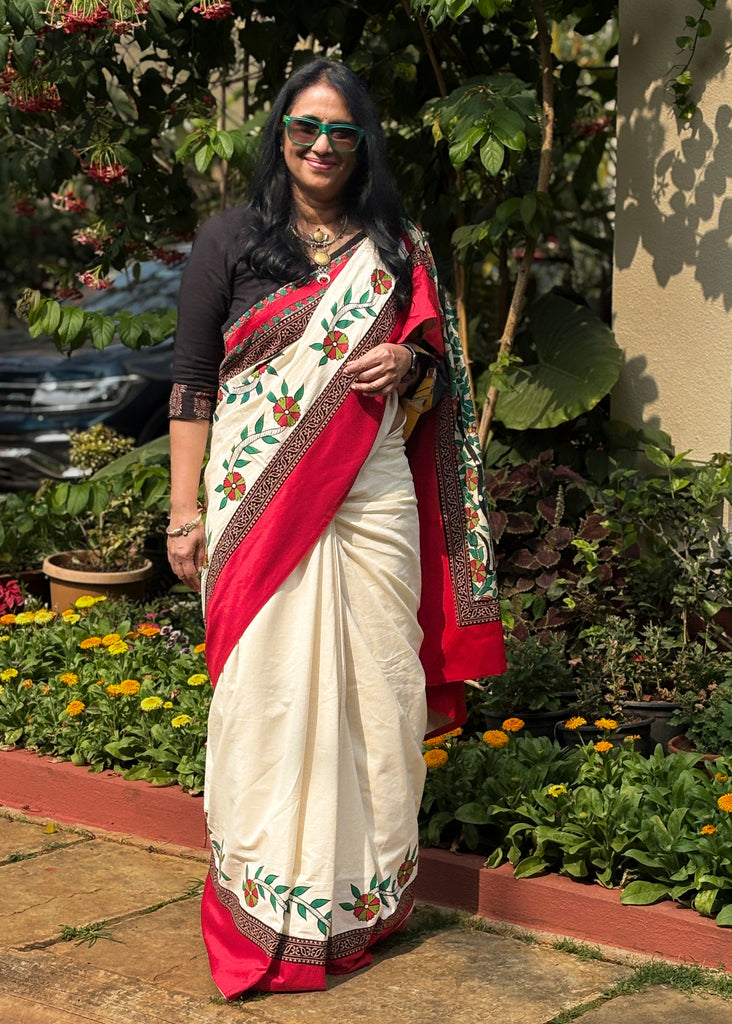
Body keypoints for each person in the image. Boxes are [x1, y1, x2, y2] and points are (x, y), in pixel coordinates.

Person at [166, 58, 505, 999]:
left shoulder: (397, 245)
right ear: (280, 134)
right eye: (305, 128)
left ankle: (356, 911)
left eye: (342, 132)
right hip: (254, 498)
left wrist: (406, 361)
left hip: (374, 494)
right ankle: (266, 916)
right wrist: (182, 513)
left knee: (377, 695)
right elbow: (193, 386)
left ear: (364, 145)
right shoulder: (232, 239)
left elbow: (440, 377)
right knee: (268, 699)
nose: (322, 145)